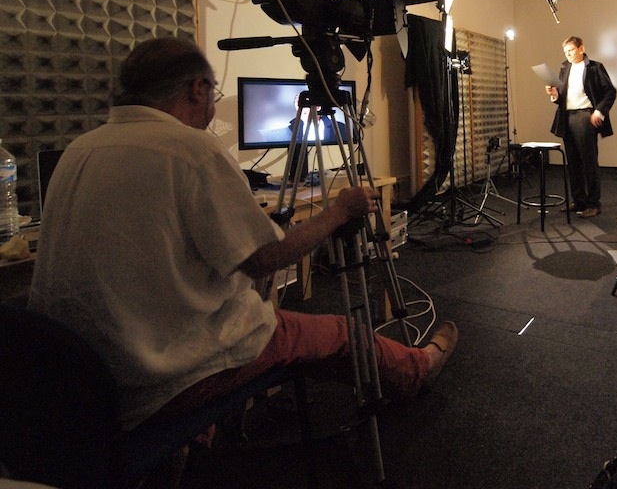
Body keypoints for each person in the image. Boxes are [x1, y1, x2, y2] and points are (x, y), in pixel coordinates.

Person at [28, 37, 458, 435]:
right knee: (340, 333)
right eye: (214, 94)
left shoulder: (80, 148)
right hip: (160, 378)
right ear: (197, 89)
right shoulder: (192, 150)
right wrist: (339, 212)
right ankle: (417, 369)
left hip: (78, 379)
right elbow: (264, 258)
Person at [545, 35, 617, 218]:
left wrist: (599, 111)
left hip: (585, 116)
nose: (568, 54)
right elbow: (563, 97)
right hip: (567, 117)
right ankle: (579, 201)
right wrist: (554, 94)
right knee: (573, 162)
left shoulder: (595, 67)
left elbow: (610, 91)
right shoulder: (565, 69)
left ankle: (593, 204)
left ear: (581, 48)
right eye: (565, 52)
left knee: (588, 162)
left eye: (571, 50)